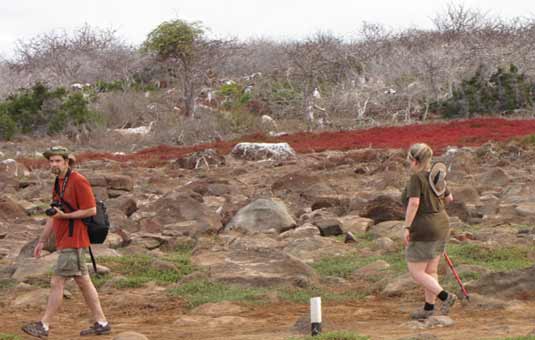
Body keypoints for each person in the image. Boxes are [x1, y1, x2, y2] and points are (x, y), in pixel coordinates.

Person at [22, 146, 111, 338]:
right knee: (83, 282)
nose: (53, 164)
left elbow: (91, 210)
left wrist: (67, 215)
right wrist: (42, 241)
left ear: (67, 162)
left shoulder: (78, 181)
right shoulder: (58, 182)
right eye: (51, 161)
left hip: (75, 239)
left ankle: (44, 325)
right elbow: (54, 214)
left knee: (57, 281)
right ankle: (101, 322)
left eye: (57, 161)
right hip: (65, 239)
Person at [401, 143, 457, 320]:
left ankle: (445, 296)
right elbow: (450, 198)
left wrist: (407, 227)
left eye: (409, 159)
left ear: (415, 160)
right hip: (441, 224)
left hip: (424, 228)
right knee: (431, 271)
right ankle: (428, 308)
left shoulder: (416, 178)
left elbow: (414, 203)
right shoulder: (437, 176)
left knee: (416, 271)